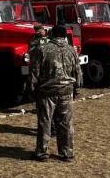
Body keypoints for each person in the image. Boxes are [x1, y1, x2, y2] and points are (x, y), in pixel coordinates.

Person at [30, 25, 79, 162]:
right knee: (66, 123)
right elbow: (77, 71)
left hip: (47, 91)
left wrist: (31, 89)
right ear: (64, 36)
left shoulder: (43, 49)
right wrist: (77, 89)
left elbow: (35, 72)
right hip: (66, 91)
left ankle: (42, 152)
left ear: (51, 35)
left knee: (45, 122)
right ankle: (67, 153)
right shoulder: (71, 50)